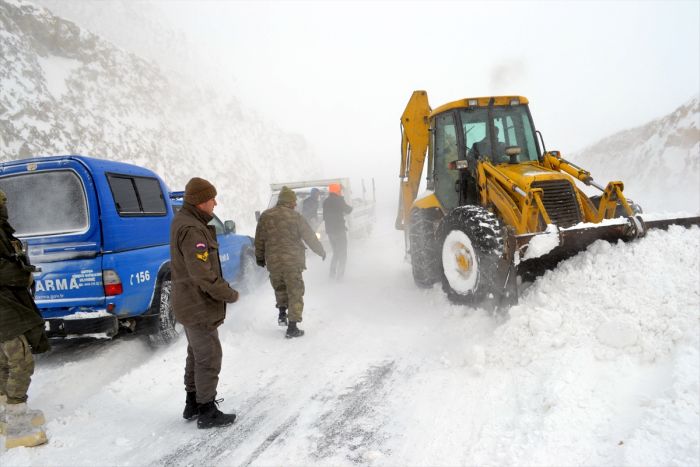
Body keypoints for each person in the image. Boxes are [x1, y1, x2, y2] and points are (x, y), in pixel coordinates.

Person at [170, 177, 239, 429]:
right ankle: (207, 411)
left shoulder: (185, 221)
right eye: (212, 199)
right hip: (197, 304)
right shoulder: (193, 230)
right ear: (200, 202)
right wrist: (228, 293)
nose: (215, 203)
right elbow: (202, 274)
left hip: (188, 301)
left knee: (196, 353)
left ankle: (193, 402)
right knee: (208, 356)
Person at [0, 190, 50, 449]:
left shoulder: (2, 230)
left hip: (8, 303)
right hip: (4, 307)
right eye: (2, 202)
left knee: (4, 361)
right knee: (20, 359)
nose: (6, 206)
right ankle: (17, 426)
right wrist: (23, 273)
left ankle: (5, 414)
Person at [255, 186, 325, 338]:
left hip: (273, 261)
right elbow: (309, 236)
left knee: (280, 288)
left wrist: (260, 258)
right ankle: (292, 327)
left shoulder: (265, 216)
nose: (295, 204)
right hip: (292, 262)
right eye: (294, 201)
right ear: (290, 202)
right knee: (295, 292)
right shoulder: (295, 217)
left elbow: (259, 239)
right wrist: (320, 251)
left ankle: (281, 313)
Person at [322, 183, 353, 280]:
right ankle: (340, 277)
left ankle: (332, 273)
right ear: (337, 191)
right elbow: (348, 210)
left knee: (335, 252)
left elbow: (326, 216)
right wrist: (350, 205)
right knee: (343, 253)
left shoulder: (326, 202)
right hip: (339, 230)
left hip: (330, 232)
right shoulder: (339, 200)